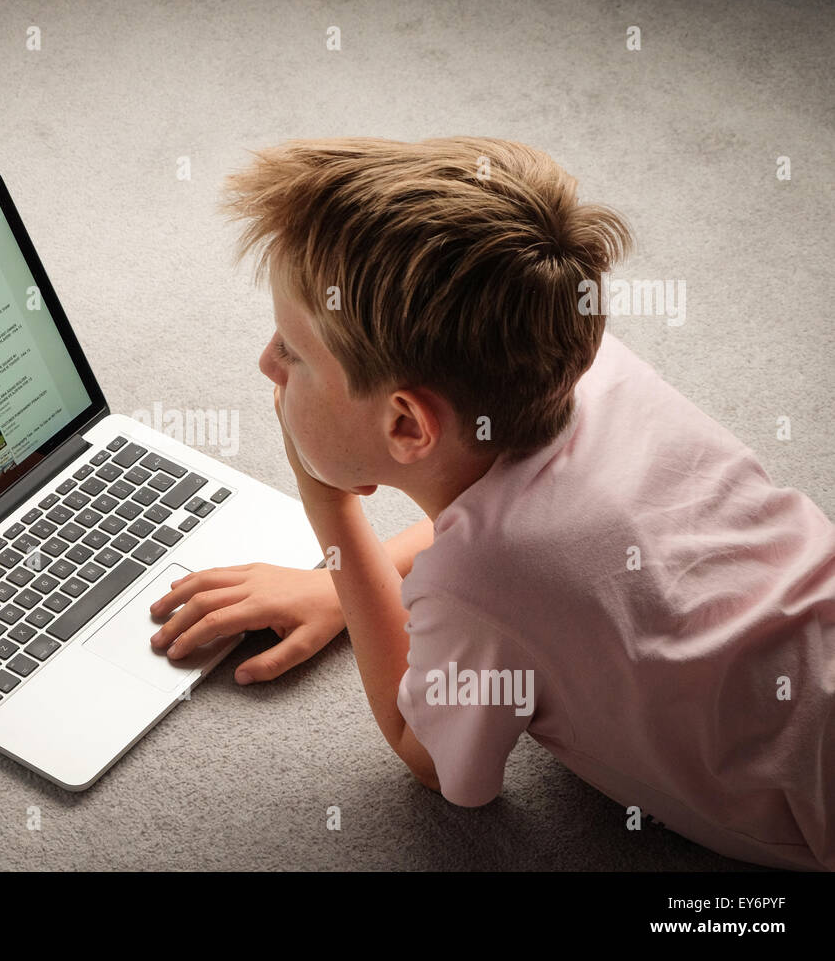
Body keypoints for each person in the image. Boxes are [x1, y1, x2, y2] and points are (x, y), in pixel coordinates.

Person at [146, 136, 835, 872]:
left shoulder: (482, 585)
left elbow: (437, 762)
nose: (266, 362)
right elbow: (501, 523)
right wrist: (334, 588)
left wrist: (331, 511)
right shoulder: (591, 367)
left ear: (408, 425)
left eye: (293, 349)